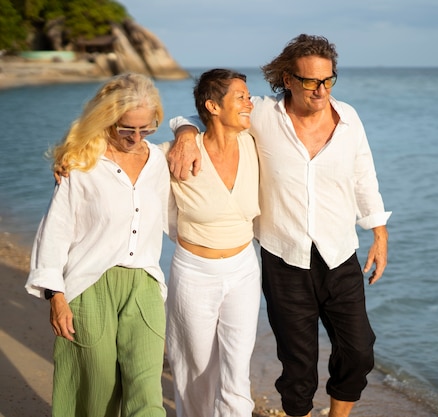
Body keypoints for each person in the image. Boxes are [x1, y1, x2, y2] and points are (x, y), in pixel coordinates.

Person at [168, 34, 391, 417]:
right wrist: (185, 134)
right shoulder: (263, 114)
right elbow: (212, 115)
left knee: (358, 349)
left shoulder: (349, 118)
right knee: (297, 361)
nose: (321, 90)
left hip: (339, 253)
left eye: (328, 80)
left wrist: (379, 233)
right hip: (283, 257)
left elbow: (363, 177)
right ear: (288, 79)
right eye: (310, 81)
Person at [25, 73, 173, 417]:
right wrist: (56, 296)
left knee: (147, 389)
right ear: (108, 121)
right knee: (97, 390)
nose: (136, 138)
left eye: (146, 129)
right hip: (90, 285)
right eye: (126, 130)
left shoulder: (158, 162)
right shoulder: (81, 166)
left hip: (145, 284)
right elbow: (55, 234)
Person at [164, 69, 261, 417]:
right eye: (241, 97)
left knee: (237, 368)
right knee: (195, 370)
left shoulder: (254, 142)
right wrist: (69, 162)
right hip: (194, 273)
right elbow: (123, 164)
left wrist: (185, 126)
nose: (251, 102)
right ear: (213, 106)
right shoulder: (177, 155)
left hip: (244, 269)